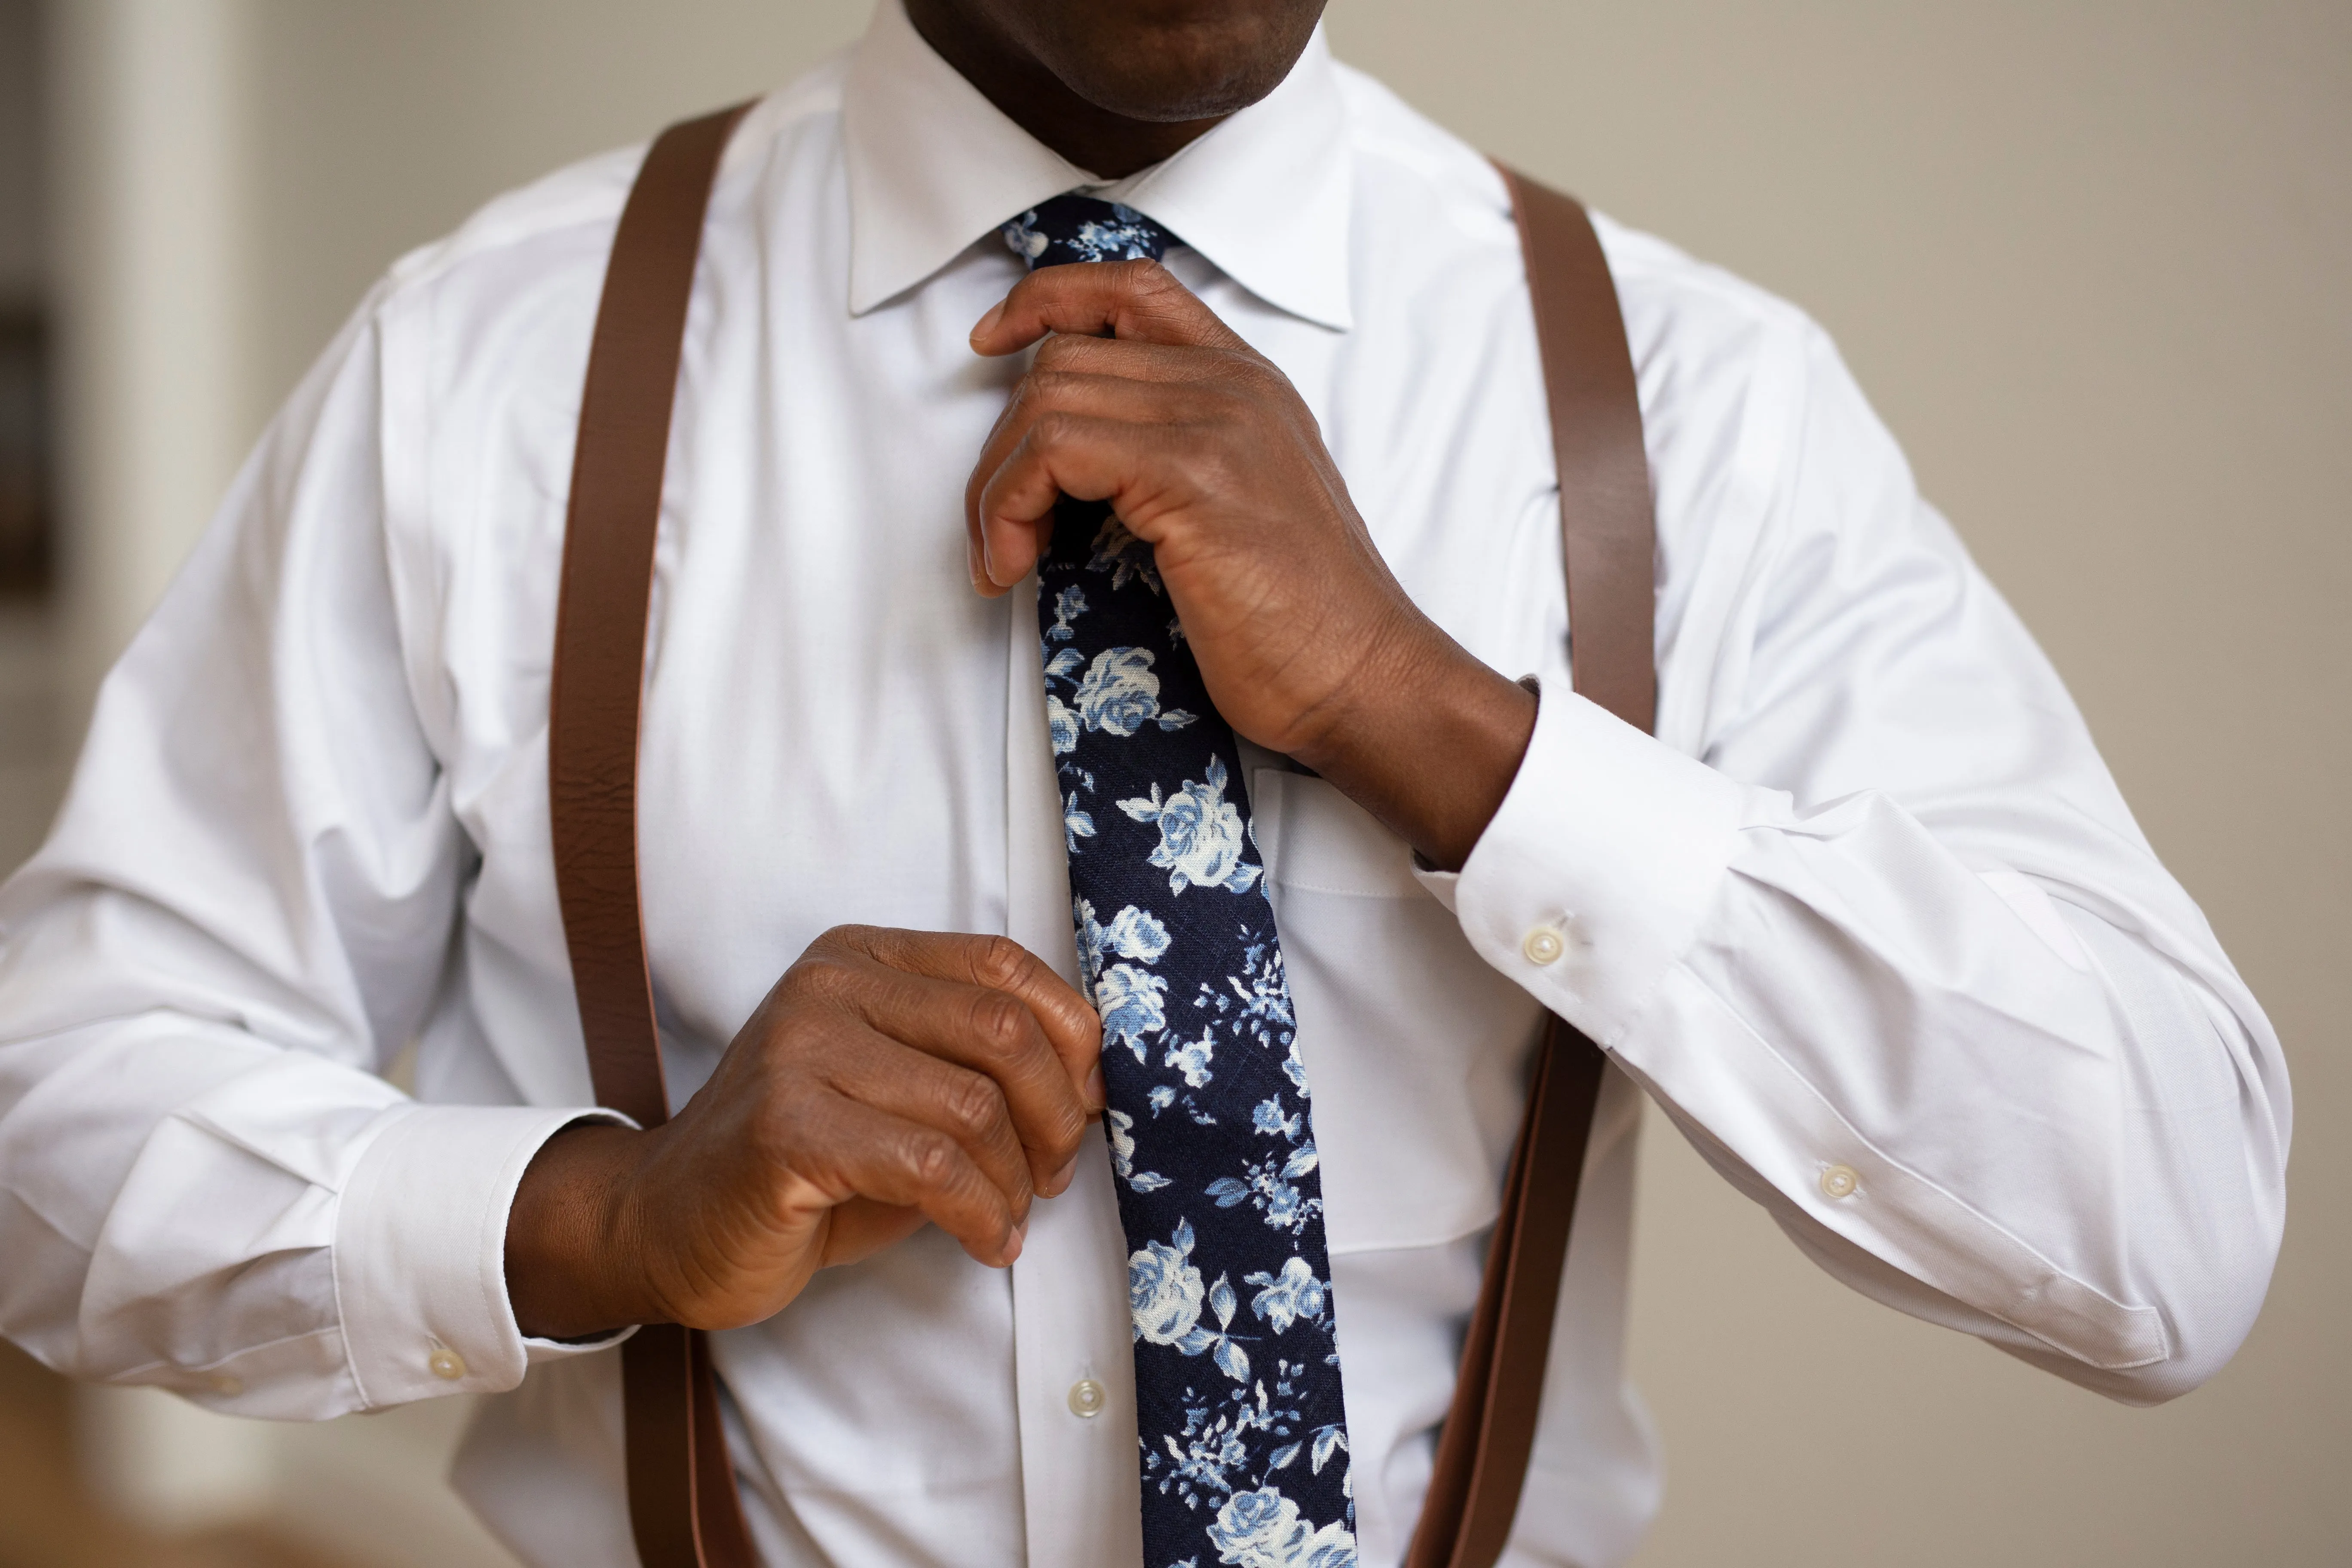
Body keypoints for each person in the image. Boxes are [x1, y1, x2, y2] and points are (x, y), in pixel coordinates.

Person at [0, 0, 2290, 1564]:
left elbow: (2172, 1227)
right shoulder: (494, 374)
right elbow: (55, 1127)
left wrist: (1452, 729)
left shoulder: (1693, 409)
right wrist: (605, 1219)